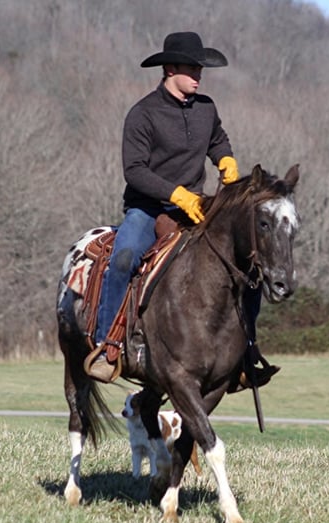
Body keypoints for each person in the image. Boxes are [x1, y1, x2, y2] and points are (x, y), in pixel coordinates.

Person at [86, 31, 278, 388]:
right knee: (125, 257)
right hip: (148, 208)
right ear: (169, 68)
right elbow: (135, 171)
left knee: (247, 265)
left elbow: (218, 139)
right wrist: (177, 195)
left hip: (198, 207)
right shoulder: (142, 114)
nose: (198, 75)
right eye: (191, 68)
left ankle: (246, 350)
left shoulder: (206, 108)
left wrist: (226, 160)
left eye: (200, 69)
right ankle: (107, 344)